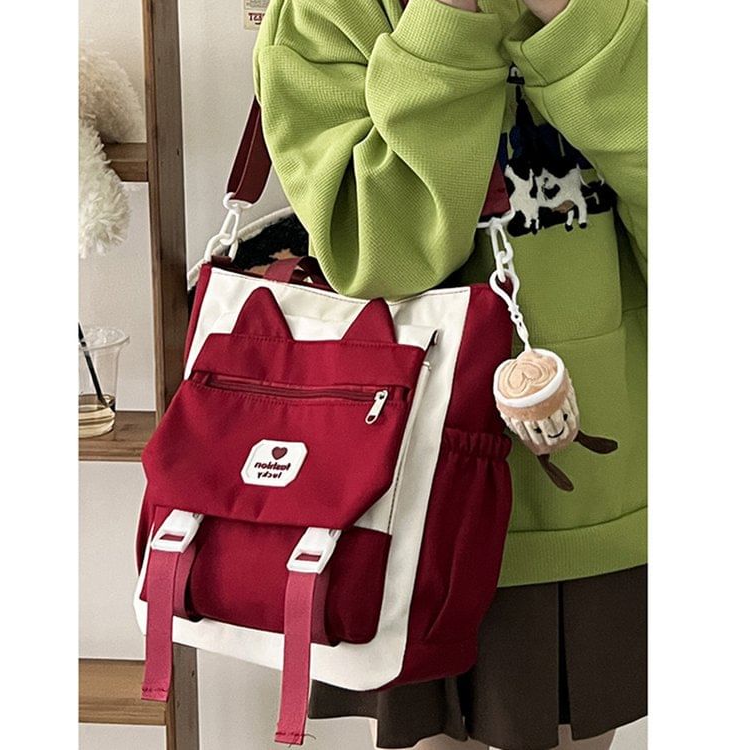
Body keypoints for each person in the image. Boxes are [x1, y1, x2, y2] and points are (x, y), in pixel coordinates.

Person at [253, 0, 647, 748]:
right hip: (396, 503)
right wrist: (448, 24)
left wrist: (579, 25)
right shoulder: (322, 12)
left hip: (600, 500)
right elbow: (379, 256)